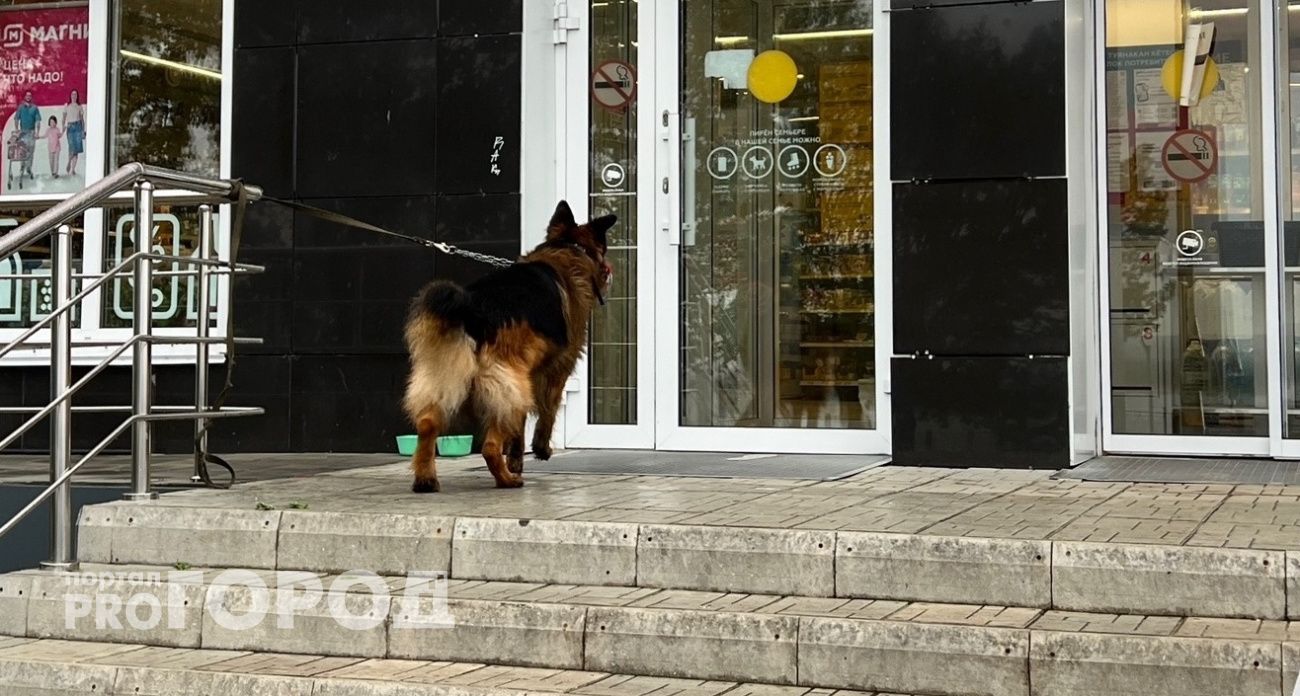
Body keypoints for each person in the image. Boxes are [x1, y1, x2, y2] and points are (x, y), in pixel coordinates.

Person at [13, 91, 40, 180]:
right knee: (22, 151)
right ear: (24, 97)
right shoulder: (20, 107)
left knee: (31, 151)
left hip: (31, 132)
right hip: (23, 132)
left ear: (31, 97)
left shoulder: (35, 108)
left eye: (30, 95)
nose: (28, 97)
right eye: (27, 95)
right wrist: (17, 129)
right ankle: (22, 167)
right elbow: (16, 118)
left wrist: (37, 132)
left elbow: (38, 121)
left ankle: (29, 168)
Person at [63, 89, 83, 177]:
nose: (74, 96)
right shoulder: (67, 106)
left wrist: (83, 130)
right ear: (70, 96)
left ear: (77, 96)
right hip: (70, 127)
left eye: (75, 94)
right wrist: (63, 127)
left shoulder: (79, 106)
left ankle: (73, 169)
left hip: (78, 126)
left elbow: (82, 119)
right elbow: (64, 118)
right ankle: (68, 162)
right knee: (71, 147)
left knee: (77, 149)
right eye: (72, 94)